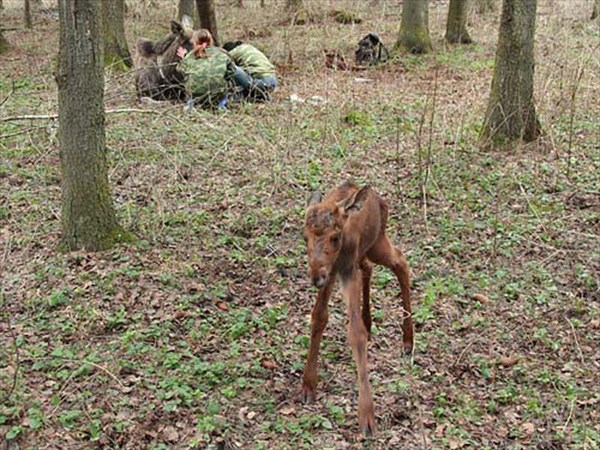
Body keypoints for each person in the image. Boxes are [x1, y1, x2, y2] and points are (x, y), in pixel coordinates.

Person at [177, 29, 236, 109]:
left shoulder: (190, 56)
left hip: (196, 95)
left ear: (194, 42)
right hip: (217, 94)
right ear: (211, 40)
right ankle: (221, 106)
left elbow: (180, 70)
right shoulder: (222, 53)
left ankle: (190, 106)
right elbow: (232, 71)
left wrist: (183, 58)